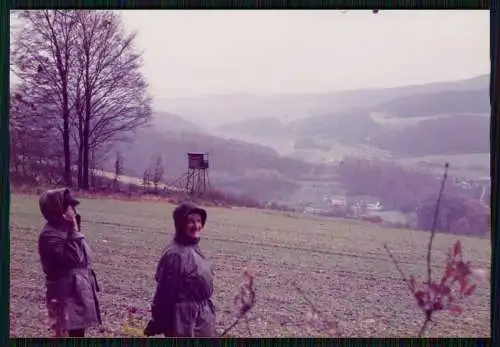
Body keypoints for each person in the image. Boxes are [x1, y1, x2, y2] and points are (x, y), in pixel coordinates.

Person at [144, 202, 216, 337]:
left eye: (199, 221)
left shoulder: (192, 247)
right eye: (191, 221)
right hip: (186, 324)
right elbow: (165, 294)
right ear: (180, 224)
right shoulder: (175, 255)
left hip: (200, 319)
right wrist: (158, 322)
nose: (196, 226)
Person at [38, 188, 102, 337]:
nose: (74, 210)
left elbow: (84, 259)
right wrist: (74, 231)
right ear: (58, 209)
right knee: (66, 335)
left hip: (77, 293)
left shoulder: (65, 230)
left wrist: (74, 230)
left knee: (78, 334)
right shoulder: (49, 235)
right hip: (65, 297)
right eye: (70, 206)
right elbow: (72, 259)